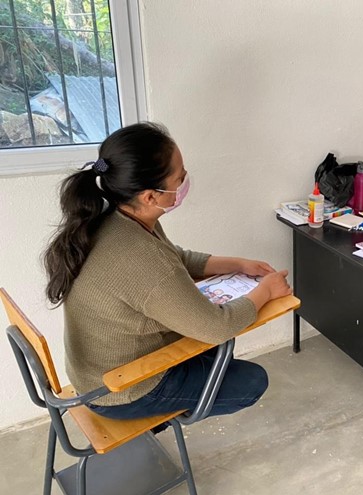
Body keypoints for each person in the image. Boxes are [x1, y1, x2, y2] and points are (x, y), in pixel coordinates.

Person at [43, 122, 292, 421]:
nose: (185, 182)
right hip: (120, 390)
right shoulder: (142, 257)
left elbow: (176, 258)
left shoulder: (117, 217)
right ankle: (161, 416)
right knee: (250, 380)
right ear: (150, 196)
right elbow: (217, 326)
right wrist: (266, 290)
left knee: (214, 349)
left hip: (98, 371)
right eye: (180, 178)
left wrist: (238, 264)